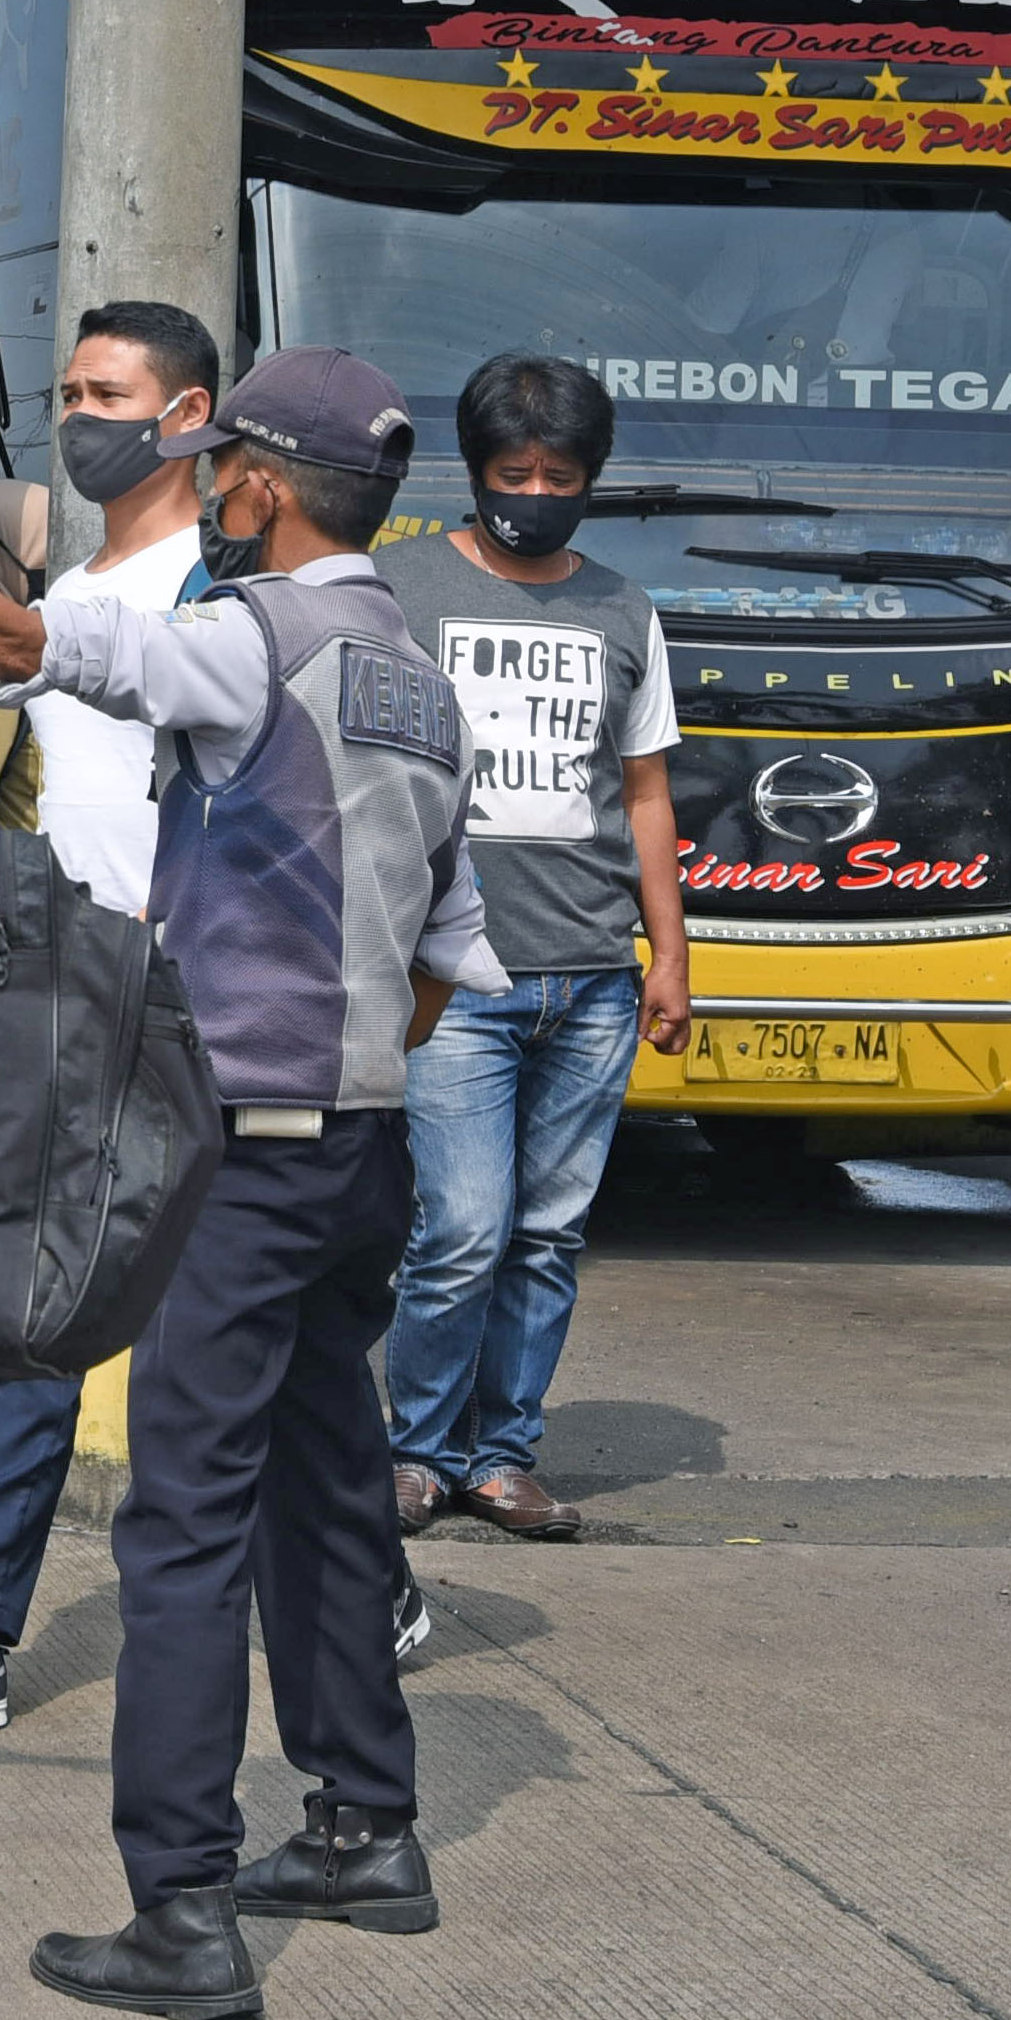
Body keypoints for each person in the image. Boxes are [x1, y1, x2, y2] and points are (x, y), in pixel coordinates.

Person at [0, 347, 502, 2020]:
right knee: (332, 1484)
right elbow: (449, 957)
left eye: (224, 472)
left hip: (247, 1147)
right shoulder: (421, 685)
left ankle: (182, 1905)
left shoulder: (249, 643)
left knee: (186, 1524)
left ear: (265, 489)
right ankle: (368, 1825)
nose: (211, 495)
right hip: (363, 1140)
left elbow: (26, 641)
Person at [0, 299, 220, 1733]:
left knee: (247, 1325)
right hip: (60, 997)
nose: (79, 413)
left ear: (190, 415)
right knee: (27, 1314)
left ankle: (359, 1569)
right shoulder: (53, 581)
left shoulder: (227, 593)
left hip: (202, 1006)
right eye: (69, 387)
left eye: (110, 392)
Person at [373, 353, 692, 1543]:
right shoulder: (396, 589)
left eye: (561, 474)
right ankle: (414, 1452)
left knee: (548, 1234)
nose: (536, 491)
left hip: (593, 980)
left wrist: (668, 953)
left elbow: (645, 792)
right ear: (475, 471)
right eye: (515, 472)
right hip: (450, 977)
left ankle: (500, 1456)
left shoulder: (621, 610)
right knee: (459, 1228)